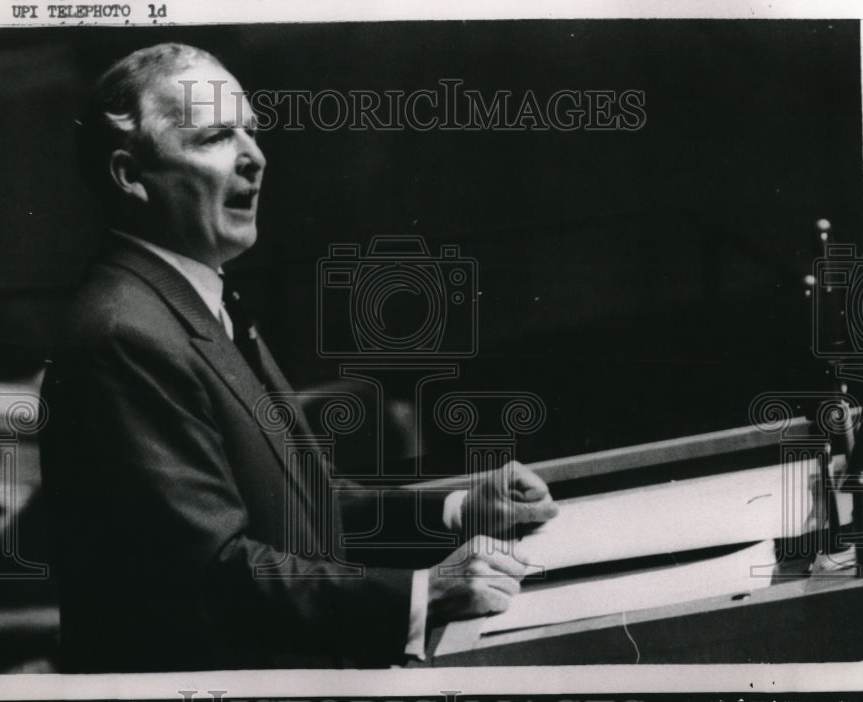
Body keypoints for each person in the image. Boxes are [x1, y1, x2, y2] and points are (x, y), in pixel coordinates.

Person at [39, 43, 558, 672]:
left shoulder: (190, 299)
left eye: (250, 131)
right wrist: (425, 592)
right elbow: (212, 573)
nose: (255, 156)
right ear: (129, 175)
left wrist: (457, 509)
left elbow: (297, 506)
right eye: (214, 137)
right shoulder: (123, 334)